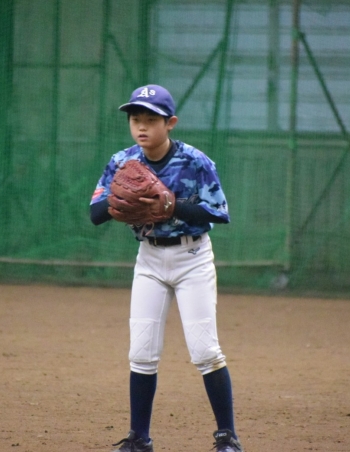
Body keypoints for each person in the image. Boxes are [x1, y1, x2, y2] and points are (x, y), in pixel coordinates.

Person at [89, 84, 244, 452]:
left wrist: (172, 205)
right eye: (135, 119)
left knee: (205, 352)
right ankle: (139, 439)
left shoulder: (195, 161)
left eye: (151, 119)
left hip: (192, 258)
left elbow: (220, 213)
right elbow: (95, 214)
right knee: (141, 354)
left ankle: (228, 438)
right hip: (150, 259)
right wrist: (119, 199)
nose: (141, 126)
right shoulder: (123, 161)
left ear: (170, 123)